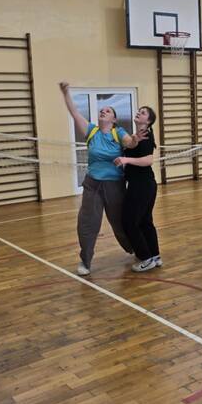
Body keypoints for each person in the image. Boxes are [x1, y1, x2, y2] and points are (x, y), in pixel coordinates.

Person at [59, 82, 138, 275]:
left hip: (114, 186)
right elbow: (75, 113)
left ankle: (135, 249)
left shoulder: (118, 133)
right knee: (88, 223)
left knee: (119, 223)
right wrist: (66, 92)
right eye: (102, 110)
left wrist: (135, 140)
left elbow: (130, 143)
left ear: (113, 119)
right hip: (92, 184)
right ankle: (85, 261)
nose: (103, 111)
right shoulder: (92, 131)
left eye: (108, 110)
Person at [114, 106, 162, 272]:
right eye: (139, 111)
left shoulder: (146, 135)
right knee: (145, 221)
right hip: (145, 185)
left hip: (141, 186)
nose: (138, 113)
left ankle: (146, 258)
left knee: (129, 222)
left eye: (143, 113)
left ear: (148, 121)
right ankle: (155, 255)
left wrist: (126, 160)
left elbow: (148, 160)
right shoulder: (138, 135)